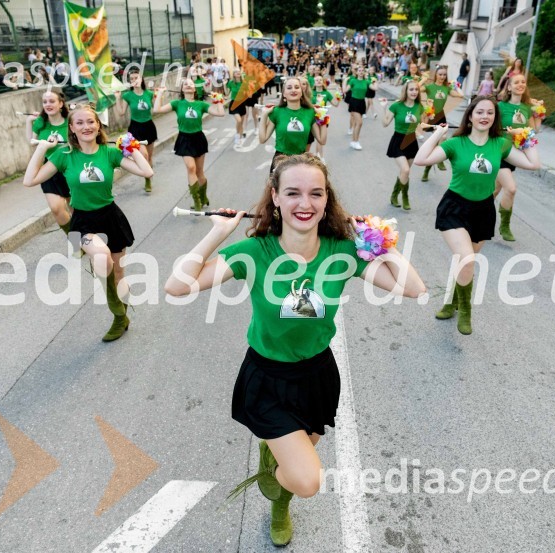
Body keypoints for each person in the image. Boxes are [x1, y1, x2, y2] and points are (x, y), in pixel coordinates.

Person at [164, 154, 426, 547]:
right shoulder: (255, 252)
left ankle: (278, 505)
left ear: (327, 200)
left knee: (297, 461)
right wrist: (218, 233)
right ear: (275, 197)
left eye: (316, 193)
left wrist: (380, 242)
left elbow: (413, 288)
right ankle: (276, 477)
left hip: (318, 376)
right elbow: (177, 286)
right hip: (267, 379)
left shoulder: (341, 252)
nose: (305, 203)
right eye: (293, 193)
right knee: (308, 480)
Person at [23, 104, 153, 341]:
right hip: (83, 221)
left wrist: (131, 147)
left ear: (98, 125)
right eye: (80, 123)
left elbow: (147, 172)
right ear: (71, 128)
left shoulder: (109, 153)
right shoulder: (64, 155)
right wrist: (41, 148)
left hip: (111, 217)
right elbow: (29, 180)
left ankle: (121, 317)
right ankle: (117, 312)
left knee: (118, 275)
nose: (86, 127)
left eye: (91, 122)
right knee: (101, 257)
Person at [414, 96, 540, 334]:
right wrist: (437, 134)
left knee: (466, 263)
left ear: (495, 118)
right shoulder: (456, 143)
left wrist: (527, 135)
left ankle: (451, 302)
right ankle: (466, 310)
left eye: (490, 113)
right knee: (467, 259)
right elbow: (421, 160)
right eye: (480, 112)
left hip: (483, 210)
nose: (485, 116)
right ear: (470, 116)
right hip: (455, 207)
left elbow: (532, 163)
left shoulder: (500, 144)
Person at [154, 78, 226, 208]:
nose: (188, 85)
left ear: (194, 89)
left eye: (190, 84)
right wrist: (160, 93)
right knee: (191, 168)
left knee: (199, 172)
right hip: (184, 139)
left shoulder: (201, 104)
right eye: (185, 84)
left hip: (198, 139)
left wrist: (219, 99)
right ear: (182, 89)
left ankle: (203, 197)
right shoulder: (177, 104)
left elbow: (220, 113)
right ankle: (197, 201)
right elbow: (157, 110)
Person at [494, 73, 542, 241]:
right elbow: (491, 128)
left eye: (523, 82)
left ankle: (476, 213)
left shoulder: (526, 107)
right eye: (516, 82)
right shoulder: (500, 106)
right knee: (511, 189)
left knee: (495, 190)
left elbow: (533, 130)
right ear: (509, 87)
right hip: (500, 151)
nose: (520, 84)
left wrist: (538, 114)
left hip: (514, 152)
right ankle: (504, 226)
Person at [26, 89, 71, 234]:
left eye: (52, 101)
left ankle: (83, 238)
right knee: (56, 208)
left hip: (69, 167)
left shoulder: (70, 121)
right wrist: (29, 121)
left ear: (61, 104)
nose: (47, 104)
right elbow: (32, 142)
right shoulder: (41, 122)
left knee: (75, 207)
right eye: (45, 102)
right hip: (49, 168)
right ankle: (74, 239)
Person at [259, 76, 326, 171]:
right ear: (284, 94)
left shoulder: (310, 112)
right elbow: (262, 139)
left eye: (297, 87)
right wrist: (264, 115)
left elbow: (322, 140)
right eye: (289, 88)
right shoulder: (277, 112)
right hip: (280, 161)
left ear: (301, 92)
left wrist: (323, 117)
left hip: (300, 161)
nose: (293, 90)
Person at [382, 80, 430, 210]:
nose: (414, 92)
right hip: (398, 140)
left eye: (416, 90)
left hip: (411, 141)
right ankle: (405, 197)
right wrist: (384, 108)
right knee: (405, 170)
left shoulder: (419, 107)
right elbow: (385, 123)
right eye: (411, 89)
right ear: (406, 91)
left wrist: (429, 116)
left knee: (405, 172)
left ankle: (394, 196)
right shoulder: (397, 106)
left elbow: (424, 126)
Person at [114, 69, 158, 192]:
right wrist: (117, 98)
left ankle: (148, 178)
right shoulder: (128, 96)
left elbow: (156, 108)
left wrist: (159, 95)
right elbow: (121, 112)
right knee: (144, 154)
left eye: (136, 78)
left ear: (141, 79)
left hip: (149, 126)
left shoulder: (149, 94)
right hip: (135, 128)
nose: (134, 80)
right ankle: (147, 177)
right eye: (131, 79)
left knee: (150, 156)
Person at [419, 65, 464, 181]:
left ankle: (433, 165)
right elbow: (416, 89)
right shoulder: (430, 86)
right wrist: (424, 79)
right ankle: (432, 166)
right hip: (430, 116)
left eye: (444, 74)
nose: (442, 76)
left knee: (442, 138)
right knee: (436, 143)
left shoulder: (447, 88)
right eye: (440, 74)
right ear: (436, 75)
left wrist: (457, 86)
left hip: (441, 116)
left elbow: (461, 95)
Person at [343, 66, 377, 150]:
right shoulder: (353, 81)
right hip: (354, 102)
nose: (361, 72)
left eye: (362, 71)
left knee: (356, 124)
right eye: (359, 70)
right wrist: (345, 81)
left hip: (362, 102)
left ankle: (353, 142)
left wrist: (375, 81)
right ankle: (356, 141)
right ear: (357, 72)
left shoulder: (367, 81)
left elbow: (375, 88)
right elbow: (345, 90)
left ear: (364, 72)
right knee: (360, 123)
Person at [226, 70, 249, 146]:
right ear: (234, 75)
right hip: (234, 103)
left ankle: (240, 139)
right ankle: (237, 135)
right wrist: (224, 85)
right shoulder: (231, 83)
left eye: (239, 71)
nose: (238, 72)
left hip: (242, 103)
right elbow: (227, 93)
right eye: (236, 72)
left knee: (241, 123)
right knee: (239, 120)